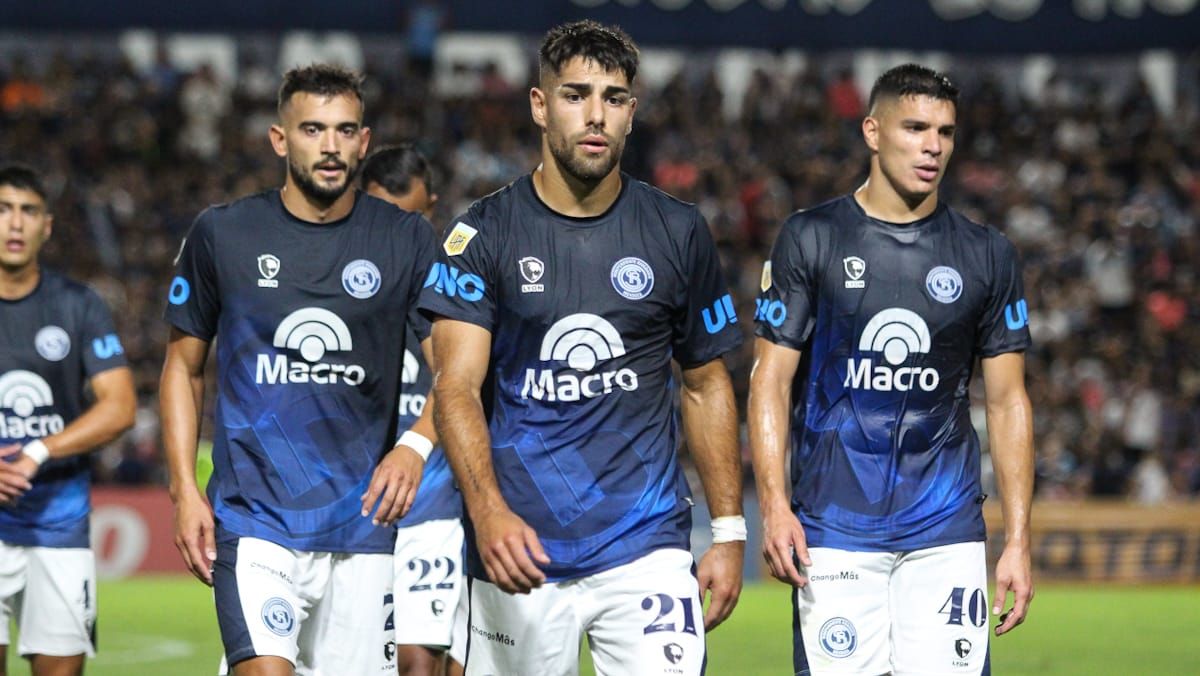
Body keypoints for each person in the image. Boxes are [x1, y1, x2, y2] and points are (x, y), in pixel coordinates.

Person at [421, 20, 746, 676]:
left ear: (632, 111)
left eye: (614, 98)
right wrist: (487, 513)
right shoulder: (482, 235)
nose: (596, 115)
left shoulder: (678, 232)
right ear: (540, 106)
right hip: (519, 547)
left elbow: (705, 383)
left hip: (646, 545)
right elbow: (455, 388)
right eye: (575, 95)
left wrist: (730, 530)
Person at [748, 63, 1035, 676]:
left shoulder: (987, 254)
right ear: (873, 132)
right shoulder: (810, 237)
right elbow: (769, 378)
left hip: (946, 529)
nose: (933, 146)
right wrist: (773, 505)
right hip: (834, 528)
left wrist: (1017, 539)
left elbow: (1008, 401)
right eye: (915, 128)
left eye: (945, 132)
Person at [159, 65, 438, 676]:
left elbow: (460, 372)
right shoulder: (222, 233)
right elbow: (182, 367)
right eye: (313, 129)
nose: (330, 145)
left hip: (364, 526)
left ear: (364, 142)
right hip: (255, 518)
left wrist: (415, 445)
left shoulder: (406, 239)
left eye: (345, 130)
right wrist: (182, 489)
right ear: (280, 139)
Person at [0, 164, 136, 676]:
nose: (15, 223)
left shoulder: (78, 305)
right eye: (3, 210)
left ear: (47, 226)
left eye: (28, 211)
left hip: (58, 523)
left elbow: (120, 406)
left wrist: (37, 452)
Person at [361, 144, 465, 676]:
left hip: (432, 504)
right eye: (386, 217)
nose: (401, 234)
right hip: (353, 509)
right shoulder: (342, 286)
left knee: (418, 662)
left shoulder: (456, 293)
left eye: (414, 218)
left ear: (432, 209)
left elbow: (461, 387)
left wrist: (416, 446)